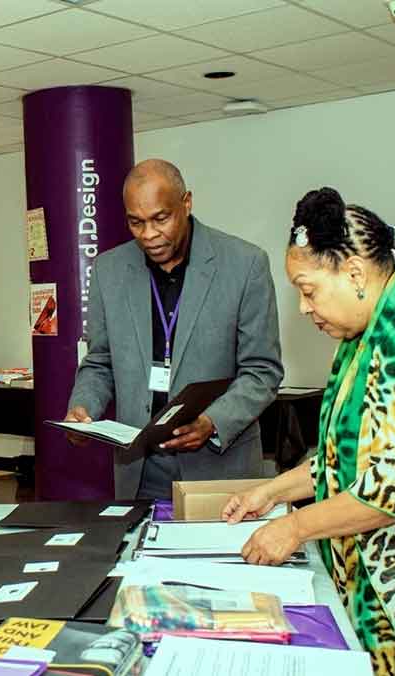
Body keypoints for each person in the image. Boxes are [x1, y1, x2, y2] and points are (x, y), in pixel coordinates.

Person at [223, 187, 395, 675]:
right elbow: (346, 456)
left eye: (308, 291)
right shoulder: (368, 330)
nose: (305, 309)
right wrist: (270, 492)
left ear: (352, 273)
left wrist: (294, 527)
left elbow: (392, 490)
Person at [65, 159, 283, 499]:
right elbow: (100, 361)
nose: (149, 235)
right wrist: (83, 407)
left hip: (218, 468)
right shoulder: (109, 271)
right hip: (139, 470)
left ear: (186, 203)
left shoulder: (245, 264)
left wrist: (212, 421)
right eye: (136, 223)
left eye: (160, 219)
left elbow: (262, 371)